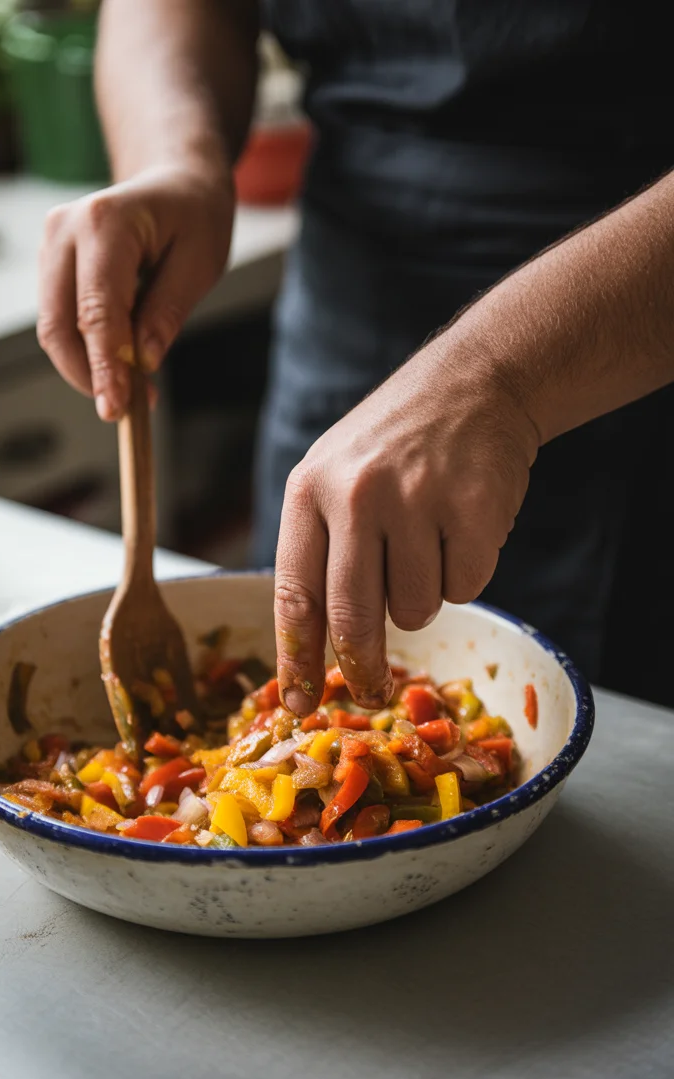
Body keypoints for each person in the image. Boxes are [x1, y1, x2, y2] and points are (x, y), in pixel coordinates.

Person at [47, 4, 669, 714]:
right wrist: (175, 159)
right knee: (299, 668)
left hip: (640, 305)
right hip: (351, 293)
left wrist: (497, 375)